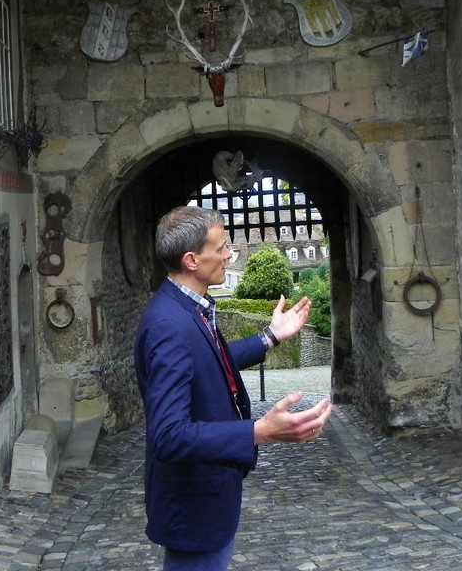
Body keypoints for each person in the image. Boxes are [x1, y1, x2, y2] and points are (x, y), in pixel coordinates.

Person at [134, 206, 333, 570]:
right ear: (192, 260)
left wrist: (270, 336)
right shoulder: (169, 325)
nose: (229, 254)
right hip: (194, 505)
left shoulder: (186, 308)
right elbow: (169, 435)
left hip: (208, 499)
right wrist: (260, 431)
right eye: (222, 247)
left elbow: (209, 362)